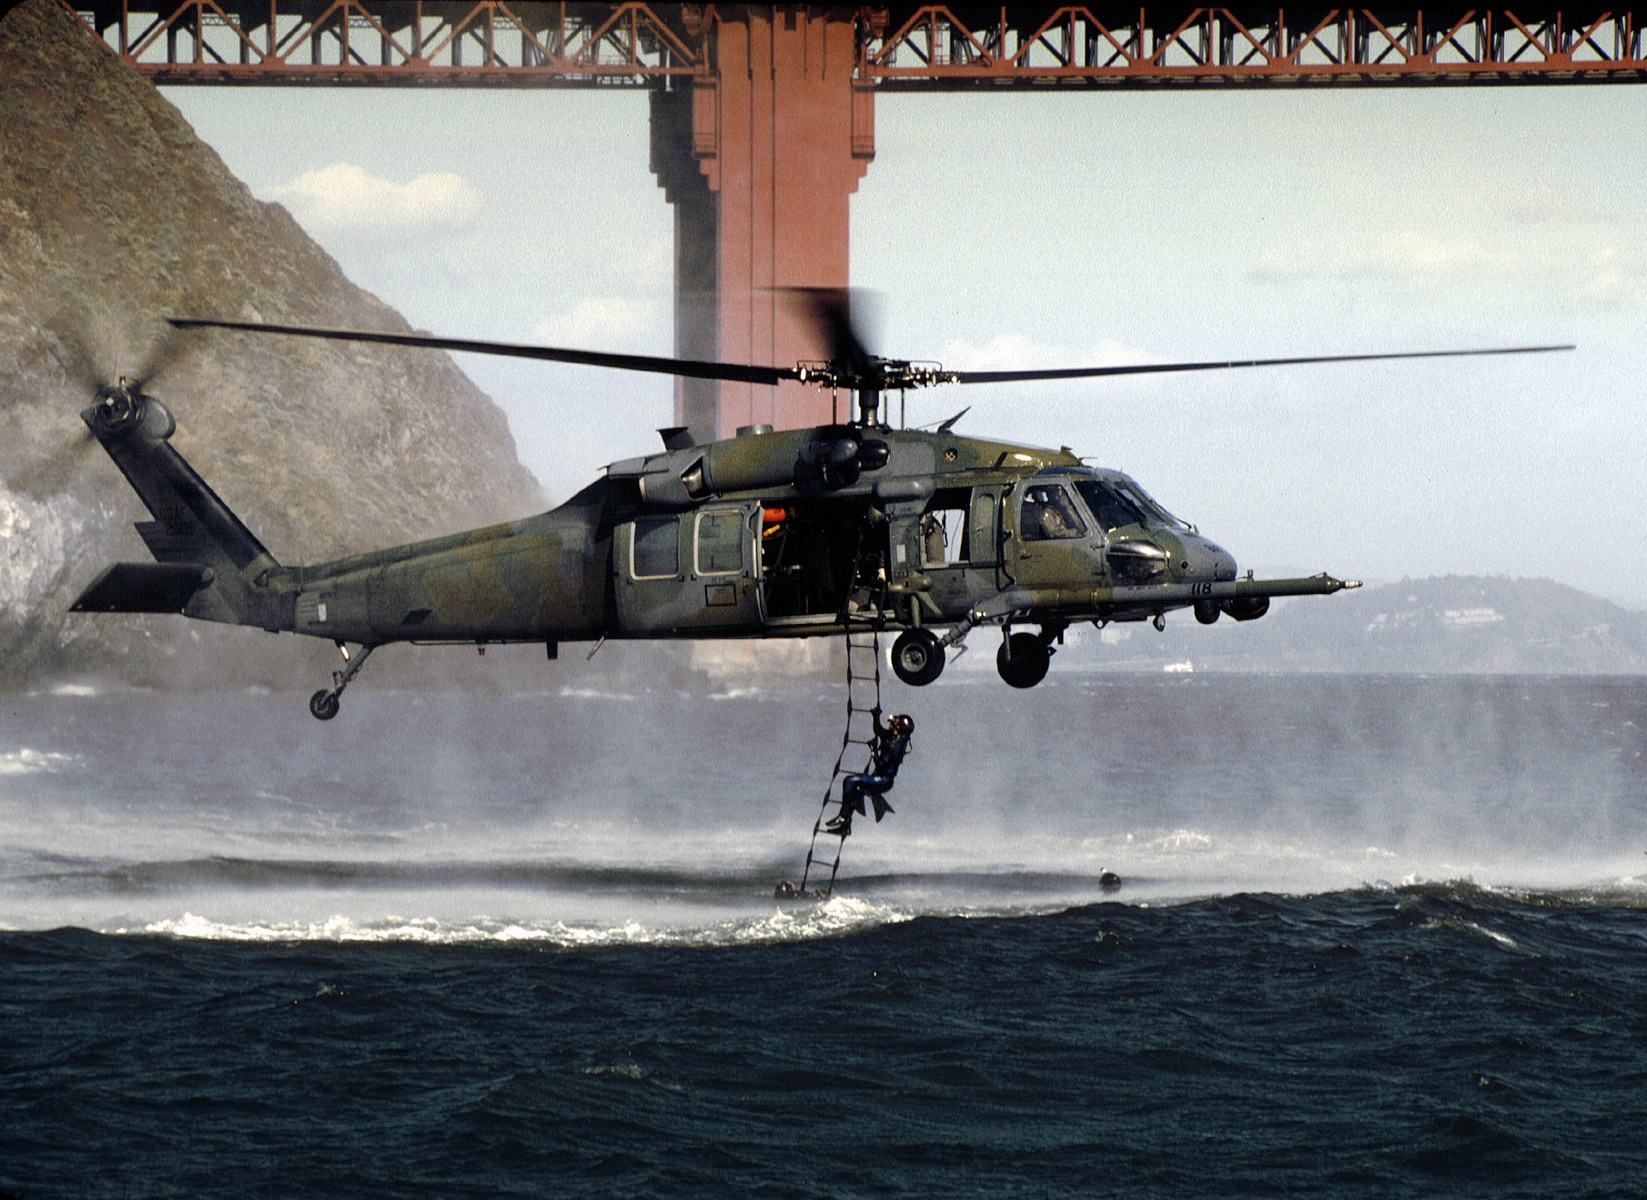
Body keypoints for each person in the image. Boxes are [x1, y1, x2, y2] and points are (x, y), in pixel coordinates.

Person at [825, 712, 914, 837]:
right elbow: (878, 730)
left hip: (883, 781)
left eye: (895, 722)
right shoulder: (892, 737)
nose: (892, 722)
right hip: (880, 778)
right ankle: (845, 826)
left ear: (898, 727)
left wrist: (873, 751)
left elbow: (880, 765)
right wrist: (875, 716)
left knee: (850, 781)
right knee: (854, 790)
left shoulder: (896, 746)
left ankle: (844, 818)